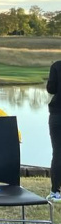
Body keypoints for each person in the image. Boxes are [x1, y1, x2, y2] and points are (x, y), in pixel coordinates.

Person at [47, 60, 61, 201]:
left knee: (58, 152)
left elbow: (51, 89)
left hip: (58, 114)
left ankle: (56, 191)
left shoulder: (57, 66)